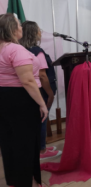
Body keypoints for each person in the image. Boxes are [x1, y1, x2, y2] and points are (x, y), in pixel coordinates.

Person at [0, 13, 48, 187]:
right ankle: (27, 181)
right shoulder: (16, 49)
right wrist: (42, 103)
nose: (21, 27)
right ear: (12, 29)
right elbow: (27, 81)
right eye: (19, 25)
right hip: (21, 100)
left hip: (4, 99)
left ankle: (13, 180)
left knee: (8, 140)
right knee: (26, 142)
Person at [20, 21, 62, 160]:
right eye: (39, 29)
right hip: (42, 92)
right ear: (33, 32)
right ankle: (42, 151)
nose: (40, 32)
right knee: (42, 120)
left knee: (37, 120)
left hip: (29, 92)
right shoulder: (37, 51)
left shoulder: (22, 50)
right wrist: (50, 94)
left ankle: (40, 146)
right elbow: (43, 76)